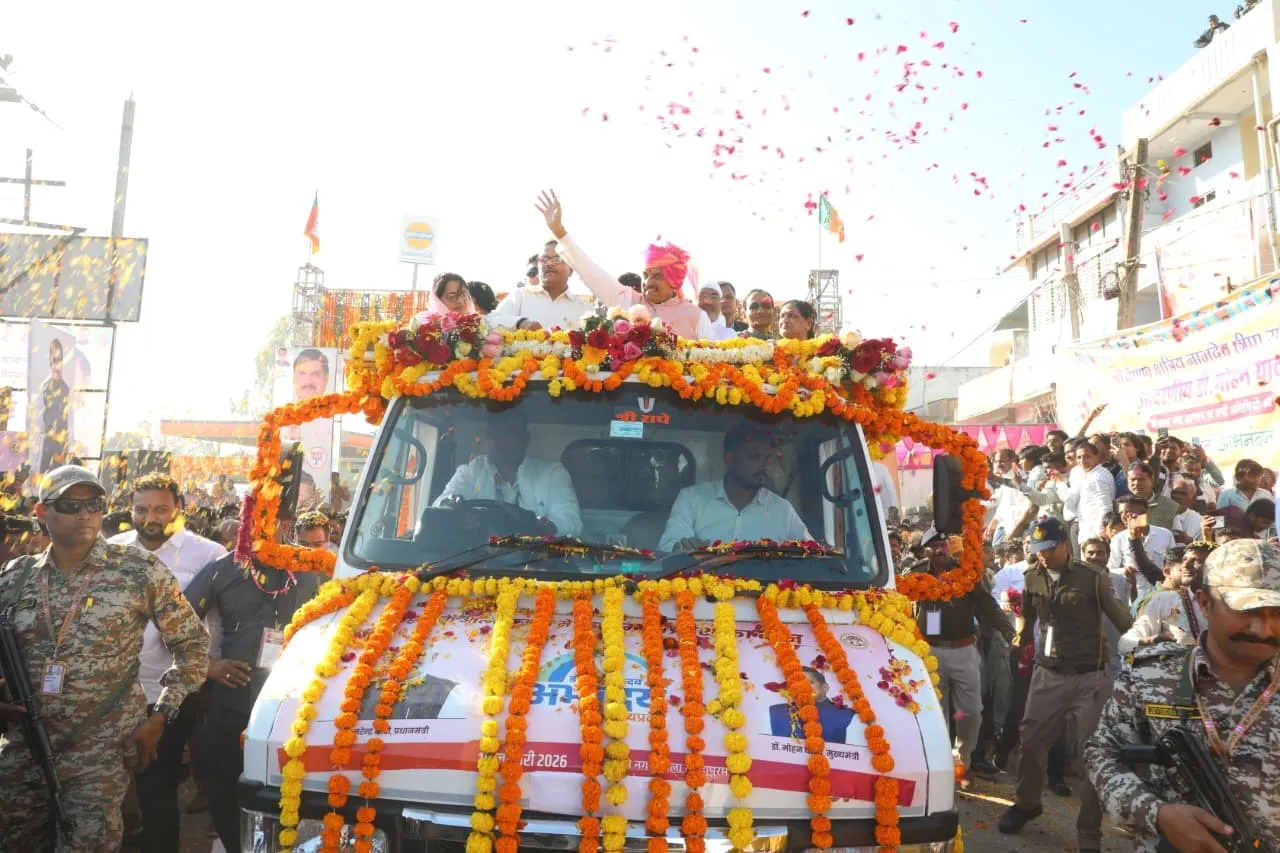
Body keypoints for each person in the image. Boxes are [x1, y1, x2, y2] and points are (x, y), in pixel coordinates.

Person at [0, 465, 210, 852]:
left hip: (99, 750)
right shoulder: (15, 577)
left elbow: (194, 646)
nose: (84, 514)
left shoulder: (137, 570)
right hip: (23, 749)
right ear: (42, 512)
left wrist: (161, 715)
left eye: (94, 504)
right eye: (69, 504)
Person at [1086, 539, 1280, 852]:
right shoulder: (1151, 674)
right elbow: (1102, 752)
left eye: (1277, 611)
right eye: (1247, 610)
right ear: (1205, 603)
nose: (1264, 628)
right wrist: (1155, 814)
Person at [106, 473, 226, 853]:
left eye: (160, 508)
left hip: (173, 691)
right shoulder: (113, 549)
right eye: (141, 509)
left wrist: (210, 670)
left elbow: (218, 622)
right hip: (115, 689)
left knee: (157, 782)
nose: (150, 518)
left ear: (179, 509)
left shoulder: (207, 554)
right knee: (109, 784)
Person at [998, 518, 1133, 852]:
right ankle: (1027, 803)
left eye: (1049, 549)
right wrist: (1018, 642)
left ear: (1065, 546)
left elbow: (1119, 617)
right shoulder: (1031, 577)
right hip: (1048, 674)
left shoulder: (1092, 577)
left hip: (1091, 677)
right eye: (1038, 549)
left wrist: (1142, 638)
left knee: (1093, 755)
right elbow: (1028, 619)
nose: (1043, 556)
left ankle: (1089, 831)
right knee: (1030, 742)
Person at [534, 190, 713, 340]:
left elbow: (710, 362)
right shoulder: (627, 301)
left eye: (657, 276)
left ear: (674, 281)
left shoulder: (697, 317)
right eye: (646, 275)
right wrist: (560, 232)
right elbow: (592, 273)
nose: (648, 282)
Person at [913, 531, 1014, 776]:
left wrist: (1011, 633)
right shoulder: (916, 573)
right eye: (933, 546)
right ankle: (939, 765)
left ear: (950, 546)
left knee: (970, 711)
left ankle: (962, 756)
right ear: (924, 550)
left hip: (964, 650)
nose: (939, 550)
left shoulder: (966, 572)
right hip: (929, 652)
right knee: (935, 712)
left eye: (943, 545)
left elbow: (987, 605)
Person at [659, 425, 810, 551]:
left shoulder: (782, 510)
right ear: (729, 460)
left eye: (768, 458)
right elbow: (668, 547)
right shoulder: (692, 499)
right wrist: (683, 549)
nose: (764, 465)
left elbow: (812, 553)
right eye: (755, 457)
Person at [435, 409, 582, 537]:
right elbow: (438, 510)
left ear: (525, 438)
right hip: (476, 565)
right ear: (489, 437)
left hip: (538, 565)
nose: (503, 441)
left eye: (511, 433)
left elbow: (571, 522)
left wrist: (543, 528)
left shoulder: (553, 475)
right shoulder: (470, 473)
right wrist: (452, 507)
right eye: (497, 434)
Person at [1117, 541, 1213, 655]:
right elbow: (1125, 644)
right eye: (1184, 560)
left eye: (1196, 560)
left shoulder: (1231, 602)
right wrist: (1150, 640)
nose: (1185, 565)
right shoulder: (1164, 600)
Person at [491, 240, 588, 332]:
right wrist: (519, 322)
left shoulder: (584, 310)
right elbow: (491, 320)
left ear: (571, 270)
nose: (549, 263)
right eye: (544, 259)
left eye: (558, 259)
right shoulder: (520, 296)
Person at [1108, 495, 1176, 603]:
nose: (1124, 517)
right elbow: (1111, 569)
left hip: (1161, 593)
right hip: (1133, 596)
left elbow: (1174, 565)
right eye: (1121, 513)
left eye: (1128, 512)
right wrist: (1124, 571)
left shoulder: (1165, 534)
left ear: (1144, 513)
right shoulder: (1118, 539)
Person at [767, 667, 855, 743]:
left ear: (825, 687)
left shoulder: (844, 713)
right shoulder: (777, 711)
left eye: (809, 682)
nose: (802, 686)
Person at [1066, 440, 1116, 544]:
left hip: (1095, 535)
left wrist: (1101, 532)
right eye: (1079, 457)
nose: (1082, 460)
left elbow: (1105, 507)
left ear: (1097, 457)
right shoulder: (1089, 474)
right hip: (1087, 530)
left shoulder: (1098, 477)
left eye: (1086, 456)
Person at [38, 339, 72, 473]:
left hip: (61, 442)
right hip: (46, 440)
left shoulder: (67, 389)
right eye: (53, 360)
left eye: (59, 360)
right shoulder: (44, 388)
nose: (56, 365)